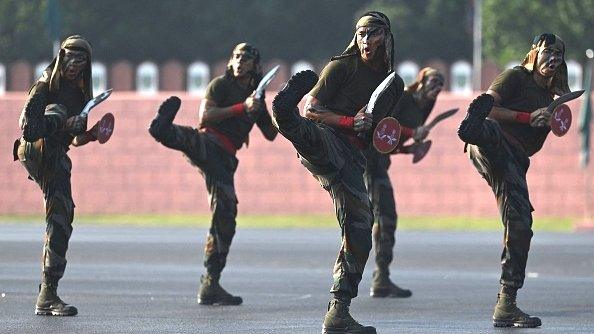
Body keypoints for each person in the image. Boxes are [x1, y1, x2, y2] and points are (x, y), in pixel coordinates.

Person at [271, 12, 403, 334]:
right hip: (328, 138)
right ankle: (283, 113)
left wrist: (378, 133)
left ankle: (338, 312)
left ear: (386, 36)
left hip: (351, 161)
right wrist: (348, 122)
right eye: (359, 34)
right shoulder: (341, 66)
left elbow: (378, 135)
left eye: (372, 34)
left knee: (360, 226)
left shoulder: (391, 84)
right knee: (306, 130)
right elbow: (313, 109)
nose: (365, 41)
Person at [148, 43, 277, 306]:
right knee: (191, 139)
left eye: (246, 58)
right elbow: (205, 115)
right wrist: (243, 107)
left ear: (255, 65)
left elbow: (271, 133)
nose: (240, 61)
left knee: (226, 214)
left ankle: (210, 284)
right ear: (230, 61)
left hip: (225, 160)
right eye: (236, 57)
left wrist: (275, 108)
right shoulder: (220, 85)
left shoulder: (258, 98)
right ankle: (164, 130)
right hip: (210, 142)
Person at [458, 33, 570, 328]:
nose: (552, 59)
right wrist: (525, 117)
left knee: (520, 223)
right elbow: (488, 104)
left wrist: (547, 119)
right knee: (489, 129)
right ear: (534, 54)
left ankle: (506, 304)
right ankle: (476, 131)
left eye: (557, 55)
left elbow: (559, 128)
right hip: (493, 139)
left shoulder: (552, 99)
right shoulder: (515, 77)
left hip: (514, 162)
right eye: (547, 53)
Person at [14, 35, 104, 316]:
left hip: (56, 155)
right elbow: (28, 129)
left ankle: (48, 293)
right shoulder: (44, 86)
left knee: (62, 219)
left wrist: (88, 134)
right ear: (60, 56)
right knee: (59, 216)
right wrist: (65, 121)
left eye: (81, 58)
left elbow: (73, 139)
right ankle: (47, 295)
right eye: (70, 56)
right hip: (36, 150)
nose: (74, 63)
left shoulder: (80, 95)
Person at [366, 67, 444, 298]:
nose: (437, 87)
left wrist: (410, 148)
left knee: (383, 218)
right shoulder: (404, 99)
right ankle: (376, 278)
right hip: (367, 163)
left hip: (379, 162)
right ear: (420, 82)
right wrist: (412, 132)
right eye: (433, 81)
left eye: (441, 83)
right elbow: (381, 126)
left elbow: (391, 143)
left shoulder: (424, 107)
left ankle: (381, 278)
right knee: (382, 217)